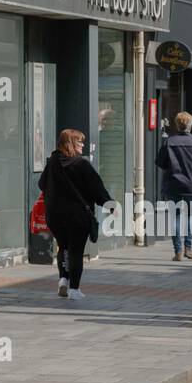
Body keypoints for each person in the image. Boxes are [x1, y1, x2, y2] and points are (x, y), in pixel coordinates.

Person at [38, 129, 113, 301]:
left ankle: (63, 279)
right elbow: (97, 189)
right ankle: (74, 289)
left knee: (63, 247)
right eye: (80, 142)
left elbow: (42, 184)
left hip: (55, 216)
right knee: (76, 252)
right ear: (71, 143)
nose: (83, 145)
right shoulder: (82, 164)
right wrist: (110, 204)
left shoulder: (53, 162)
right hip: (77, 216)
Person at [156, 111, 192, 261]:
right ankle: (189, 248)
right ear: (190, 126)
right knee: (191, 215)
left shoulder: (169, 142)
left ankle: (178, 251)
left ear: (177, 124)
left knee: (176, 217)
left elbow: (161, 163)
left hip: (173, 184)